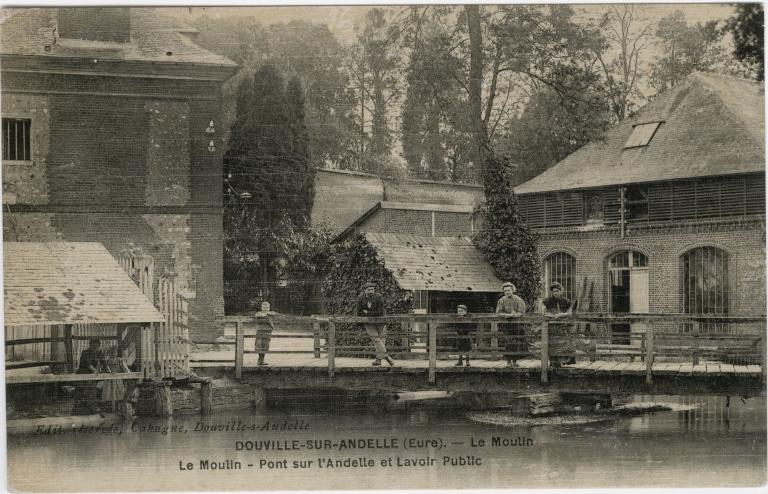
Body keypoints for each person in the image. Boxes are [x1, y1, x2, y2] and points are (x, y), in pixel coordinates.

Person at [355, 281, 395, 367]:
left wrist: (367, 312)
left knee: (381, 340)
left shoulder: (379, 297)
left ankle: (378, 360)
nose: (371, 291)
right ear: (364, 290)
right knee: (375, 339)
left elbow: (379, 312)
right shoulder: (360, 298)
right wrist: (368, 314)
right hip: (368, 322)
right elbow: (359, 312)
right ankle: (386, 356)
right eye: (369, 290)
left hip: (380, 321)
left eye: (372, 290)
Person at [542, 281, 575, 368]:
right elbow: (544, 312)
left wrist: (561, 315)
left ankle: (563, 361)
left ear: (561, 291)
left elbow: (570, 313)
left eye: (557, 291)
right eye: (554, 291)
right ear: (552, 292)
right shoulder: (547, 301)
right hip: (552, 326)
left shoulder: (566, 301)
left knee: (563, 342)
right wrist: (551, 315)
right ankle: (554, 363)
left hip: (562, 326)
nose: (555, 293)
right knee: (553, 343)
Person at [496, 282, 528, 367]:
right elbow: (499, 312)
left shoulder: (518, 300)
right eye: (505, 291)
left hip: (517, 324)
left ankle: (514, 361)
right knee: (508, 342)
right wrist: (507, 315)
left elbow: (521, 312)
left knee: (516, 342)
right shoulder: (501, 300)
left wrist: (514, 315)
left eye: (509, 290)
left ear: (513, 290)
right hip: (507, 325)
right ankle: (508, 361)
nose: (507, 292)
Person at [72, 338, 103, 415]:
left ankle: (90, 413)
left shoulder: (97, 353)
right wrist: (95, 371)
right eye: (93, 346)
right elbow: (88, 364)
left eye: (97, 346)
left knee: (91, 394)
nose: (95, 347)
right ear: (90, 345)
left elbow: (103, 362)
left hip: (91, 377)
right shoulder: (85, 352)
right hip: (83, 376)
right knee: (81, 394)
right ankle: (78, 414)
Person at [97, 345, 130, 417]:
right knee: (106, 395)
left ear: (116, 353)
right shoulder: (106, 361)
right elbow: (102, 369)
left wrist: (129, 375)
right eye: (111, 352)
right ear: (109, 352)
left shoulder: (119, 360)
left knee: (119, 394)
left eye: (114, 352)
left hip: (118, 380)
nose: (113, 353)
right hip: (108, 380)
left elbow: (125, 369)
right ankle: (104, 411)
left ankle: (120, 411)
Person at [252, 301, 275, 366]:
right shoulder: (259, 313)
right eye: (264, 307)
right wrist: (263, 315)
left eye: (267, 307)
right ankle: (260, 360)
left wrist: (267, 313)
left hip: (268, 331)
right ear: (261, 308)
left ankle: (262, 360)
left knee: (265, 345)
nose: (266, 309)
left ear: (269, 308)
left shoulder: (270, 313)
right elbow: (256, 315)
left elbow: (274, 314)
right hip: (260, 331)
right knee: (259, 345)